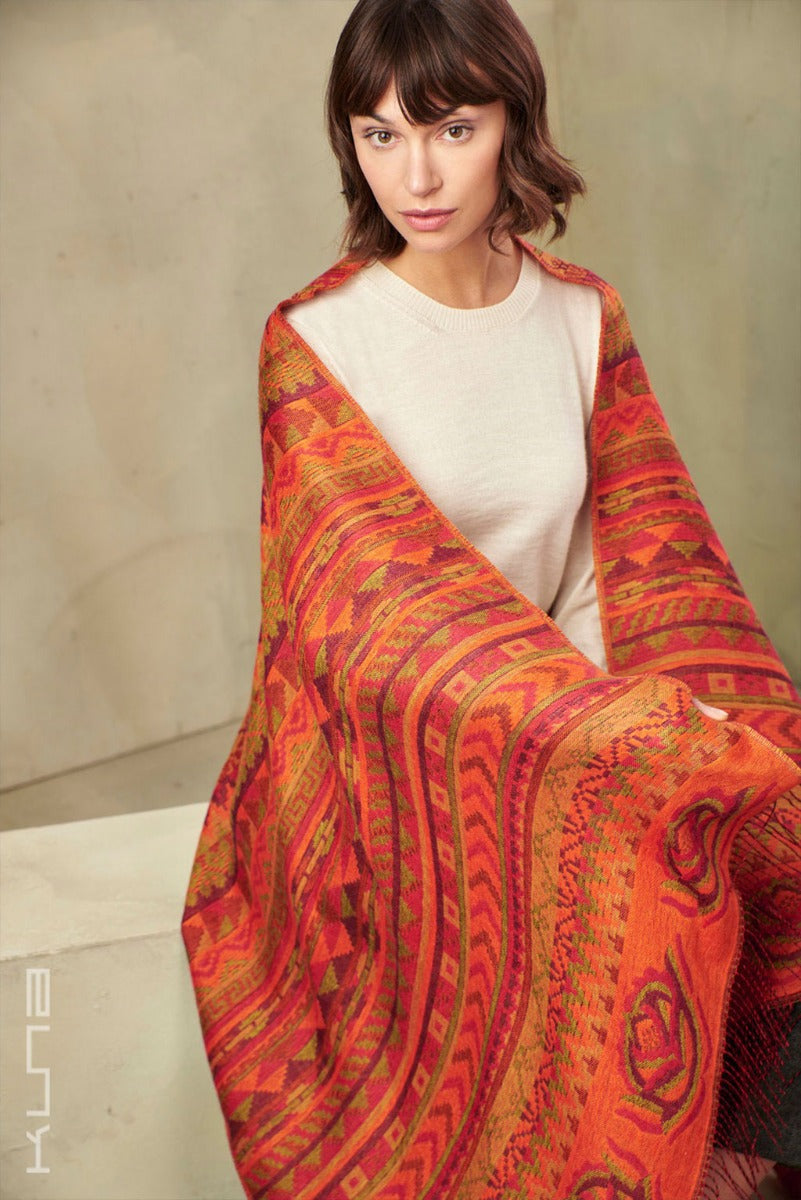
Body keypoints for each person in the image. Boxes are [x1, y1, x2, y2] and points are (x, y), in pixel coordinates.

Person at [181, 3, 801, 1198]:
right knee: (658, 803)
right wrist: (598, 734)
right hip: (398, 764)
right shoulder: (317, 343)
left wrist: (641, 724)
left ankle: (722, 1161)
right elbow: (361, 642)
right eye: (379, 135)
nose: (414, 176)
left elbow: (625, 564)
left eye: (451, 130)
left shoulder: (580, 314)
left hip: (574, 728)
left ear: (515, 121)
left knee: (764, 800)